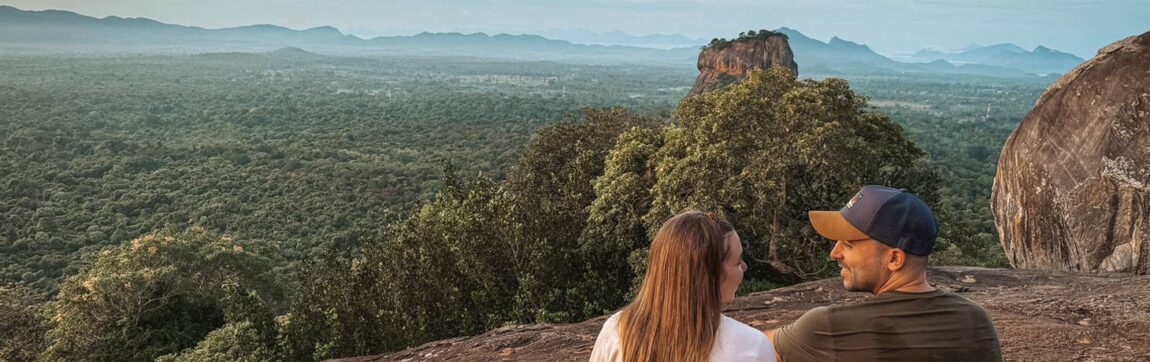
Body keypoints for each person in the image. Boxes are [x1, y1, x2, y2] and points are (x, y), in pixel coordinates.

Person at [767, 185, 1002, 361]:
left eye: (849, 244)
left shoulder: (828, 326)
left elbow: (745, 348)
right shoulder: (975, 319)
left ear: (894, 259)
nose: (834, 252)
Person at [590, 210, 776, 362]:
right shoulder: (751, 347)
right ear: (711, 276)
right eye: (737, 261)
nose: (745, 266)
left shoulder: (617, 330)